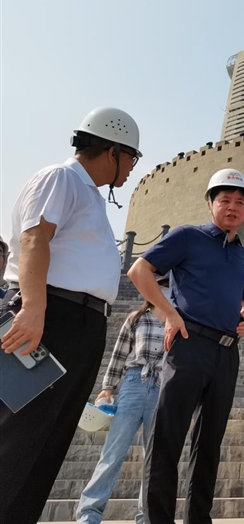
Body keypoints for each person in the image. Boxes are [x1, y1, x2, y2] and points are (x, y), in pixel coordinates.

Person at [0, 106, 142, 524]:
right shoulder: (61, 177)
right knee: (18, 435)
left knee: (47, 441)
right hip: (50, 315)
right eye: (132, 157)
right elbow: (34, 239)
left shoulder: (89, 194)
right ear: (113, 150)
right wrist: (33, 309)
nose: (132, 167)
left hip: (79, 324)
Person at [127, 168, 244, 524]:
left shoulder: (241, 253)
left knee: (209, 443)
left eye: (240, 202)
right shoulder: (188, 237)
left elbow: (239, 297)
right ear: (210, 203)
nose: (232, 207)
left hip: (227, 352)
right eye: (225, 200)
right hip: (189, 344)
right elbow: (139, 271)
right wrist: (168, 313)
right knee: (167, 438)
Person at [76, 275, 170, 524]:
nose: (165, 290)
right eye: (161, 286)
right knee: (113, 453)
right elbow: (119, 353)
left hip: (162, 389)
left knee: (155, 459)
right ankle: (89, 513)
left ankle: (147, 517)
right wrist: (107, 387)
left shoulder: (178, 321)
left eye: (169, 287)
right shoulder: (136, 318)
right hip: (133, 384)